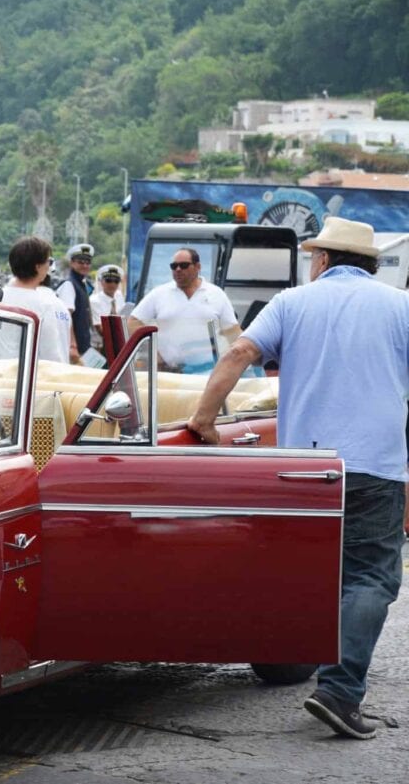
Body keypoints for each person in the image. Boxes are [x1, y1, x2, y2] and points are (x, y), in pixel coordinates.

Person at [187, 217, 409, 740]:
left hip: (302, 468)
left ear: (324, 259)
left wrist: (203, 418)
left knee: (313, 572)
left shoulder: (291, 302)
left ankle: (296, 660)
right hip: (375, 465)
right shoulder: (400, 307)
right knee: (369, 577)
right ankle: (338, 690)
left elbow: (241, 353)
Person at [127, 247, 240, 372]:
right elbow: (133, 322)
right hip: (169, 372)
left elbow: (232, 332)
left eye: (184, 265)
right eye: (174, 266)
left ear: (198, 267)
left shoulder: (216, 294)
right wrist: (152, 352)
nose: (178, 269)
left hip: (207, 372)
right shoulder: (159, 294)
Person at [0, 237, 74, 364]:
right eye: (49, 261)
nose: (49, 266)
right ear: (38, 267)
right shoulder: (45, 304)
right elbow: (51, 356)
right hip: (26, 381)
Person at [55, 243, 95, 363]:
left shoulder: (81, 284)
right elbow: (67, 317)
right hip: (74, 350)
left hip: (83, 347)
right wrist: (72, 346)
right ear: (72, 263)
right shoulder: (69, 285)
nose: (85, 265)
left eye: (87, 262)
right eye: (80, 262)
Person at [89, 263, 125, 352]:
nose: (112, 284)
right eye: (108, 280)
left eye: (116, 281)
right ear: (101, 282)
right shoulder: (94, 301)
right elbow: (100, 329)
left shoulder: (119, 296)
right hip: (99, 347)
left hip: (118, 344)